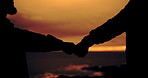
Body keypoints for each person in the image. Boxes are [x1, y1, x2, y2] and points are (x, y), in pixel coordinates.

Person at [0, 0, 75, 77]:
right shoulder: (9, 34)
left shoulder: (11, 32)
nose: (12, 0)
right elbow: (31, 40)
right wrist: (64, 46)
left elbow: (30, 39)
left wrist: (63, 45)